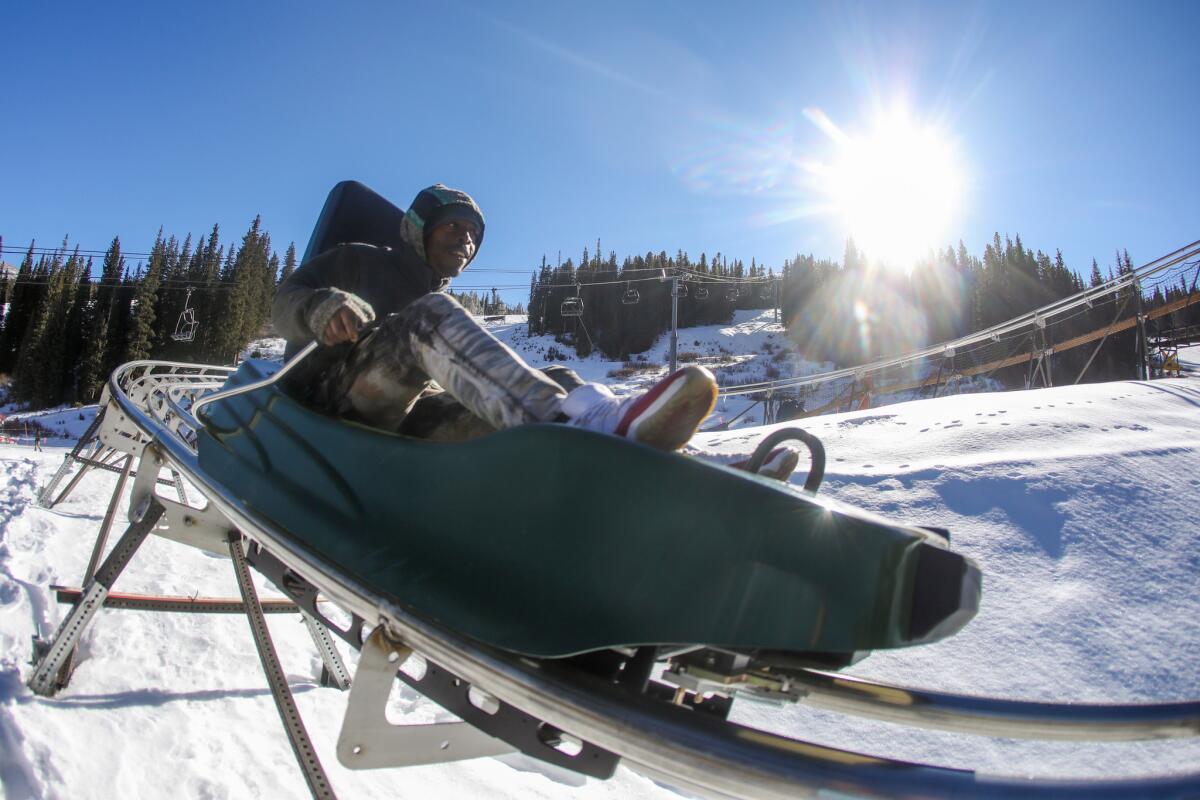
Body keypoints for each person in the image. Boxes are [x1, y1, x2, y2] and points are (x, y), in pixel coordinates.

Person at [272, 183, 718, 451]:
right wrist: (320, 307)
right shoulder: (360, 260)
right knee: (427, 317)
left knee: (561, 379)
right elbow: (284, 300)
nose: (466, 240)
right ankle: (575, 434)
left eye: (474, 235)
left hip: (400, 417)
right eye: (454, 227)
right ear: (419, 229)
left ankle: (674, 471)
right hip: (321, 402)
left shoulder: (438, 301)